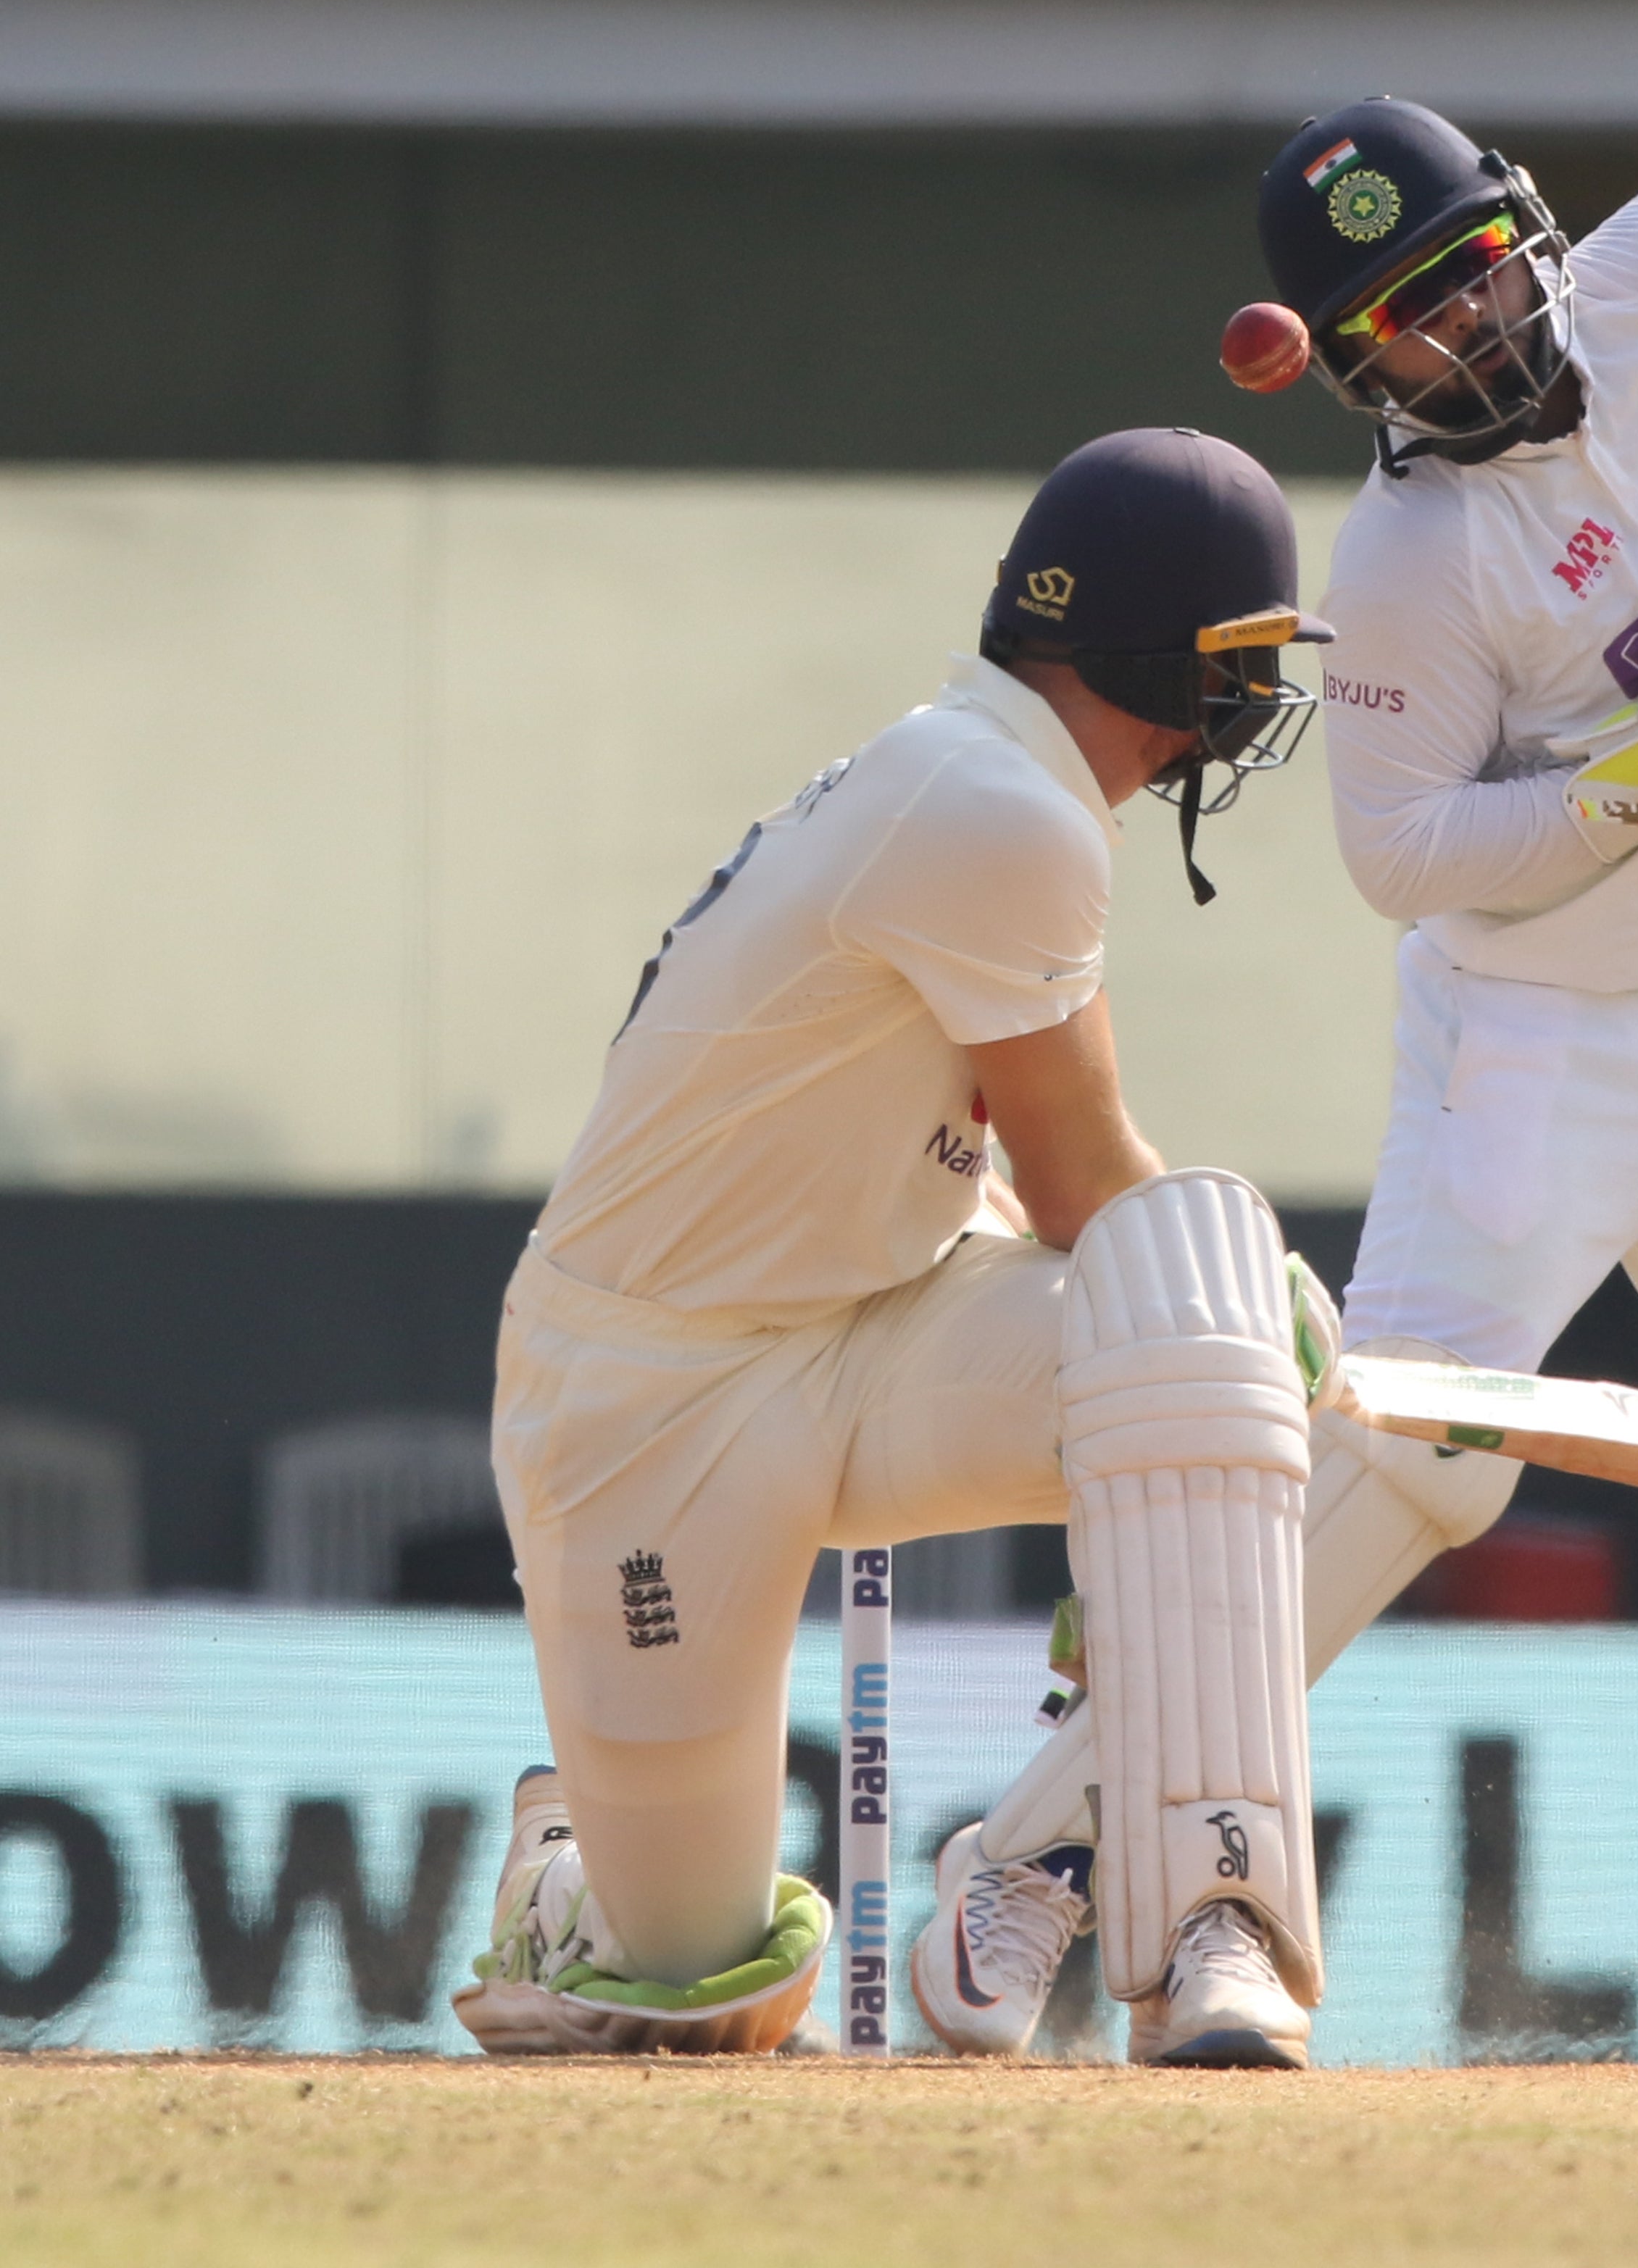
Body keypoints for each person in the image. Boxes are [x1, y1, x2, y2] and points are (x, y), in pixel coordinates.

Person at [922, 98, 1638, 2069]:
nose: (1461, 342)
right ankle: (1029, 1865)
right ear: (1345, 369)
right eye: (1401, 331)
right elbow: (1407, 859)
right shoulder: (1421, 549)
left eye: (1467, 280)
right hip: (1537, 1044)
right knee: (1414, 1463)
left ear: (1538, 235)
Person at [454, 428, 1342, 2069]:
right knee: (698, 1996)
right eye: (1236, 666)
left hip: (873, 1332)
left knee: (1205, 1307)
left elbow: (1011, 1183)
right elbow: (1085, 1192)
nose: (1246, 710)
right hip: (647, 1404)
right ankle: (570, 1871)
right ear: (1162, 662)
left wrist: (1224, 1362)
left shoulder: (981, 779)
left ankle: (1179, 1919)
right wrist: (1260, 1351)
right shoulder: (999, 807)